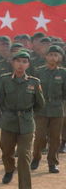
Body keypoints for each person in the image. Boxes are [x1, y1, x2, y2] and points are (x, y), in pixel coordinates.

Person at [0, 51, 45, 189]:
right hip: (9, 122)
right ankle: (9, 168)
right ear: (13, 63)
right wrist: (8, 114)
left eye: (24, 61)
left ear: (28, 65)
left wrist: (27, 114)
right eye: (18, 61)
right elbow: (1, 101)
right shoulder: (5, 80)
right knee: (6, 151)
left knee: (24, 157)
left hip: (26, 124)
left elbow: (40, 104)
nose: (21, 64)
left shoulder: (34, 82)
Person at [31, 45, 66, 173]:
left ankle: (52, 163)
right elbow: (33, 90)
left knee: (55, 137)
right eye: (50, 54)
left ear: (60, 58)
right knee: (39, 136)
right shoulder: (38, 71)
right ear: (46, 56)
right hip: (41, 108)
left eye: (55, 55)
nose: (52, 57)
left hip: (57, 109)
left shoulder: (63, 73)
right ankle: (36, 158)